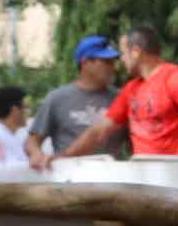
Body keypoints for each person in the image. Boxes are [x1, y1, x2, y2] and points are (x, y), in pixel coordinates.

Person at [60, 24, 178, 158]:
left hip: (176, 177)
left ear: (135, 51)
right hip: (144, 178)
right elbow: (99, 131)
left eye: (123, 53)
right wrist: (64, 156)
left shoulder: (174, 78)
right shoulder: (131, 89)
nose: (121, 60)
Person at [24, 34, 116, 169]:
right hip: (68, 177)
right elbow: (32, 140)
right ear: (85, 62)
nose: (113, 67)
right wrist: (36, 154)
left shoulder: (120, 98)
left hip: (112, 177)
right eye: (106, 62)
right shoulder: (57, 98)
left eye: (113, 62)